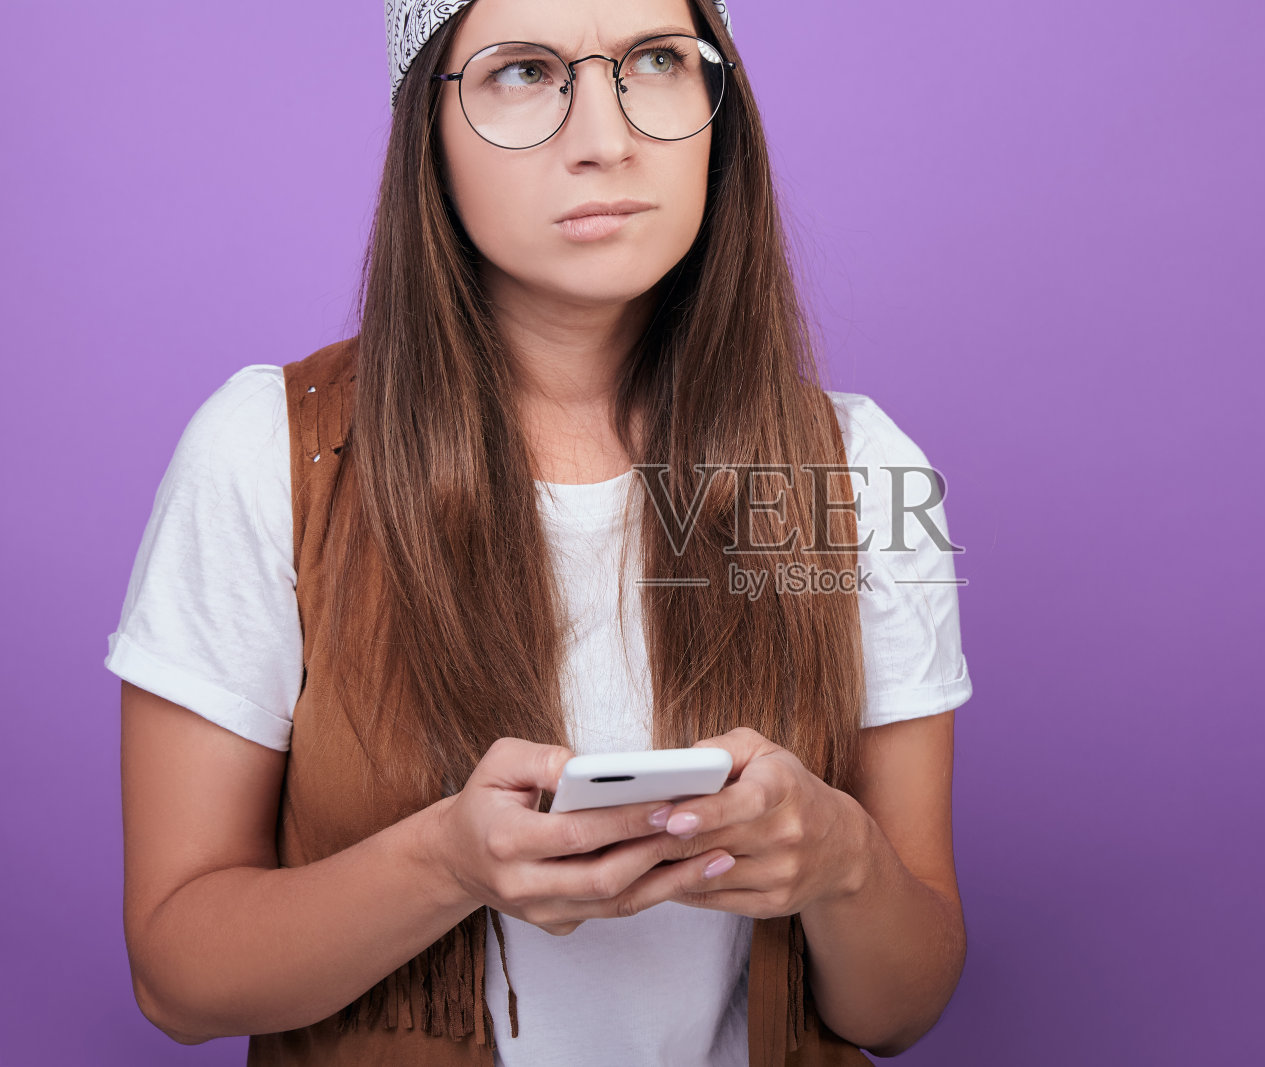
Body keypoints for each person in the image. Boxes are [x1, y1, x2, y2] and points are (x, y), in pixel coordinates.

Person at [107, 0, 973, 1062]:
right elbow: (178, 978)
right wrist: (444, 863)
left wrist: (843, 861)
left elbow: (900, 1006)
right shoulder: (269, 453)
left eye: (656, 60)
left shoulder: (854, 467)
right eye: (523, 72)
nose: (605, 140)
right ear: (426, 126)